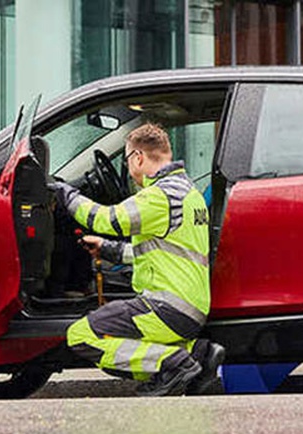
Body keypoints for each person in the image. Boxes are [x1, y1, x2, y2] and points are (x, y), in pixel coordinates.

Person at [56, 123, 225, 397]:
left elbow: (105, 219)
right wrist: (108, 249)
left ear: (138, 157)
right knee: (118, 343)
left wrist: (66, 195)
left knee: (83, 335)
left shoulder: (160, 195)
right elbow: (160, 251)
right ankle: (198, 354)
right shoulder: (188, 192)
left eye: (127, 160)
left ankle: (174, 363)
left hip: (166, 307)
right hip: (189, 306)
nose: (129, 168)